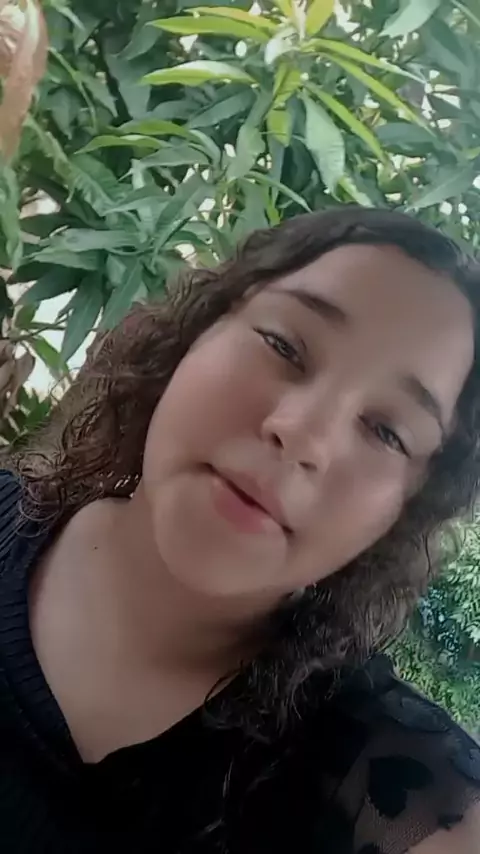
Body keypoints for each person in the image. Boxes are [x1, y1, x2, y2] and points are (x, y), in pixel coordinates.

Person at [0, 206, 479, 854]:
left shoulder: (391, 791)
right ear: (199, 330)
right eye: (284, 346)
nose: (302, 434)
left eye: (387, 431)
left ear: (404, 512)